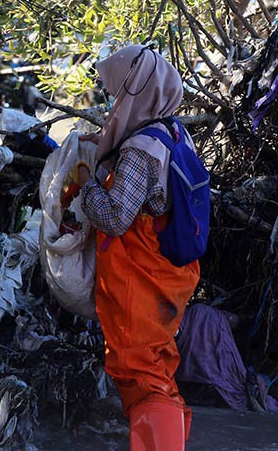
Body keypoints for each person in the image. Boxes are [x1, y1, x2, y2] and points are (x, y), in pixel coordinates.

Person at [73, 44, 200, 450]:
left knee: (139, 371)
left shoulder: (140, 150)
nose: (113, 102)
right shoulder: (175, 133)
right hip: (171, 273)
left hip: (140, 278)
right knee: (158, 364)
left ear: (135, 91)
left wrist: (86, 183)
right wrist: (105, 149)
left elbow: (114, 217)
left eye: (116, 92)